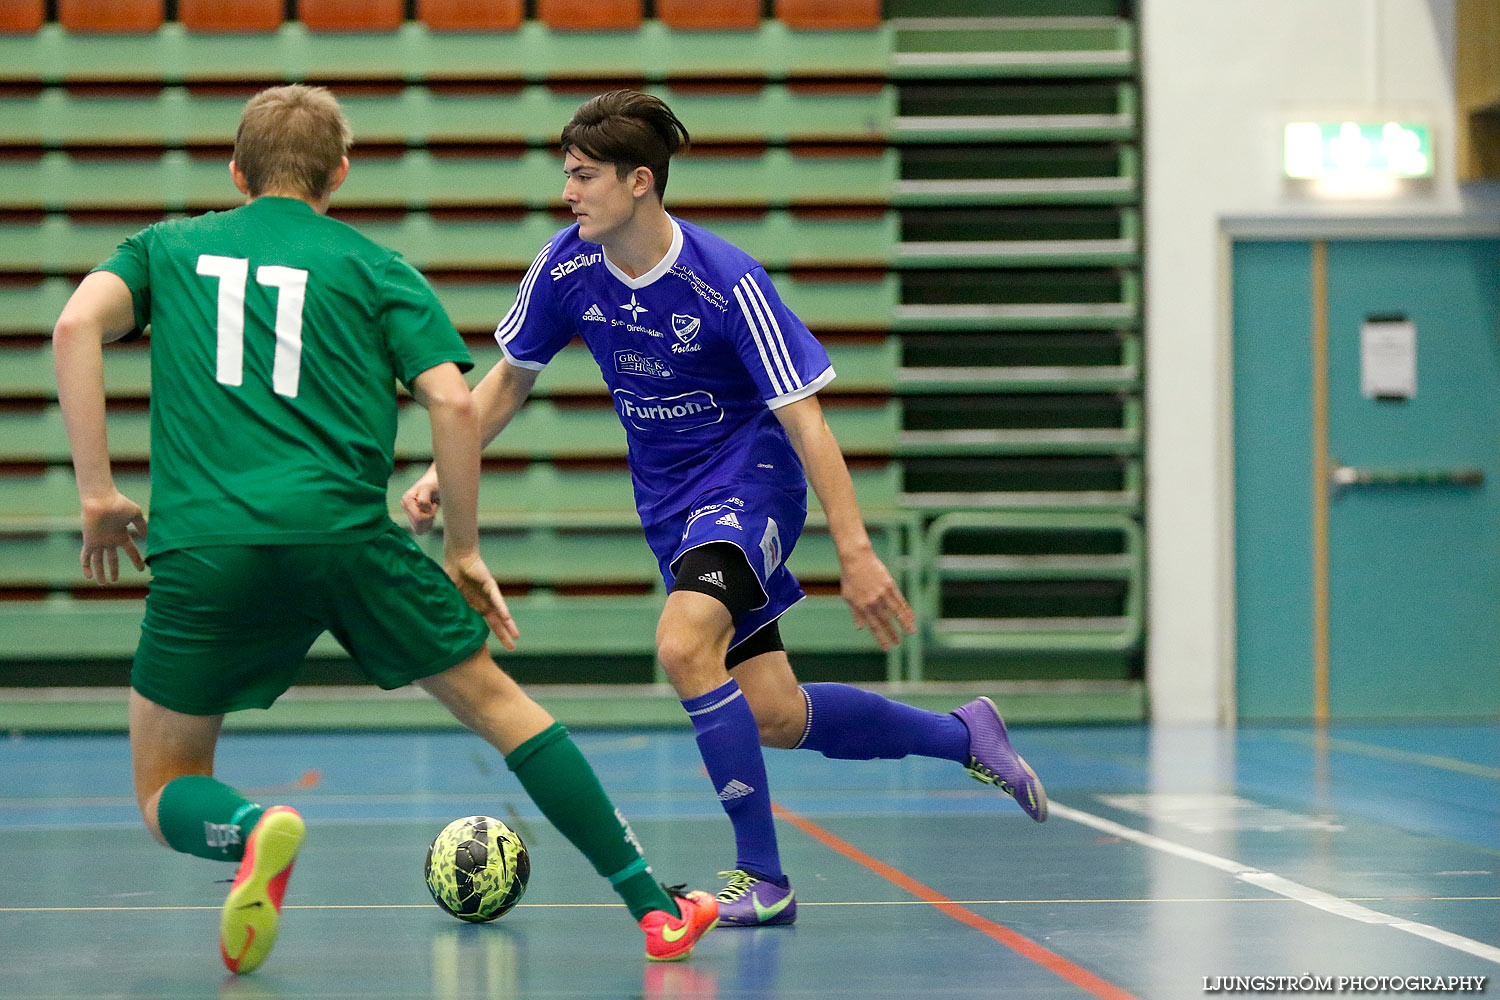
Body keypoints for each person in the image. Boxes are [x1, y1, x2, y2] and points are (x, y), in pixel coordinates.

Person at [51, 84, 717, 975]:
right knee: (500, 706)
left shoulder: (165, 250)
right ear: (340, 174)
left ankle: (251, 831)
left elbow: (73, 326)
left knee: (165, 784)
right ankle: (653, 908)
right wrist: (464, 548)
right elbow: (449, 397)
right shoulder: (375, 267)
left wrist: (98, 491)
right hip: (345, 535)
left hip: (206, 546)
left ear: (237, 170)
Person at [401, 90, 1049, 929]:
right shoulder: (565, 267)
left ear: (641, 182)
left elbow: (806, 419)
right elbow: (507, 384)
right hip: (670, 505)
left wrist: (854, 549)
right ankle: (966, 737)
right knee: (774, 713)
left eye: (583, 176)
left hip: (751, 481)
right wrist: (442, 471)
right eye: (566, 174)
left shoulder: (728, 280)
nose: (568, 191)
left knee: (680, 644)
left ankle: (763, 878)